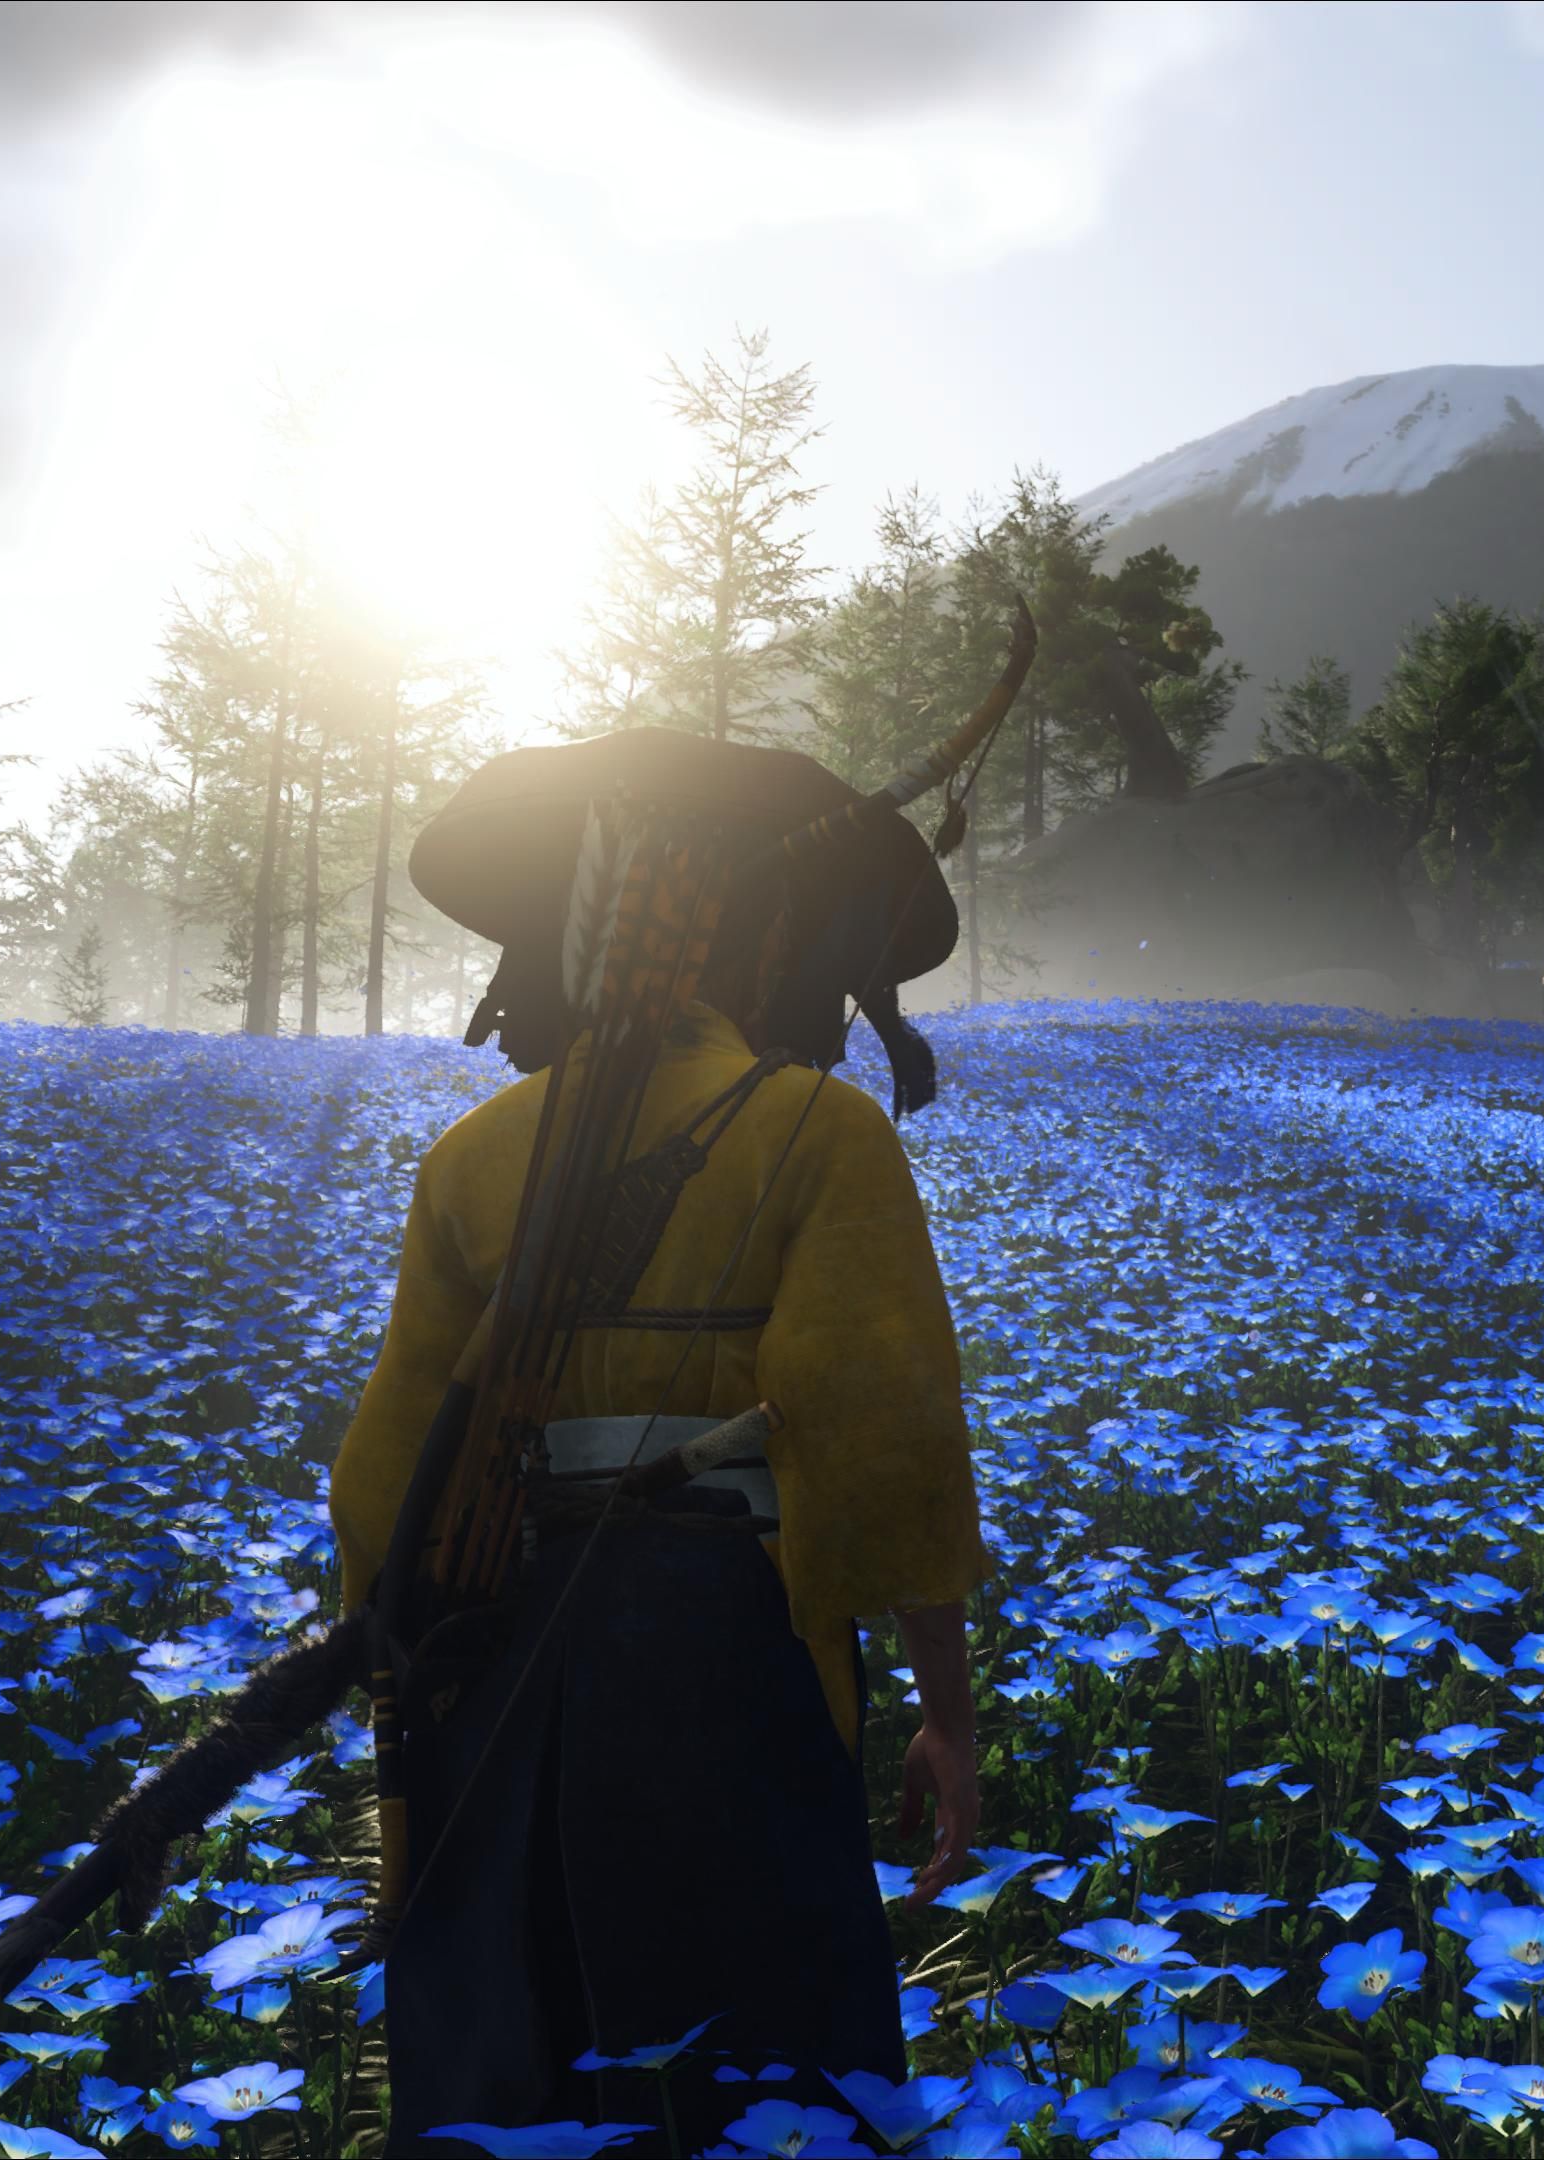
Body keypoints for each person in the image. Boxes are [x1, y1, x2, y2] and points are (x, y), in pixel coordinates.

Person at [327, 728, 987, 2145]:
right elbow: (888, 1444)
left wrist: (405, 1701)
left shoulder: (478, 1153)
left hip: (495, 1639)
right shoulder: (819, 1132)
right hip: (726, 1644)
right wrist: (945, 1706)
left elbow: (381, 1481)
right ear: (777, 949)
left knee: (517, 2039)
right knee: (752, 2048)